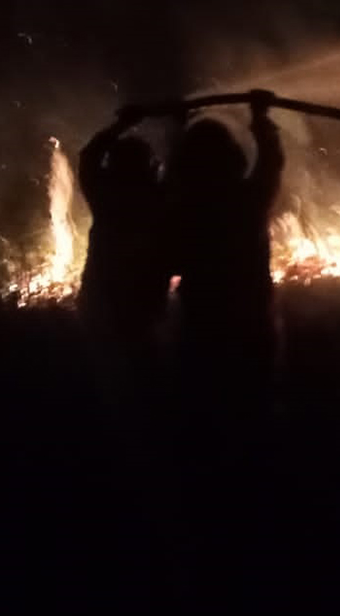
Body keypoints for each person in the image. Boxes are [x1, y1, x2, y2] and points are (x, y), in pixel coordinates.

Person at [166, 90, 285, 418]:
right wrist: (260, 118)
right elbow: (271, 161)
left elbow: (174, 175)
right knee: (255, 400)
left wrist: (176, 128)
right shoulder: (249, 201)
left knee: (203, 404)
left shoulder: (183, 208)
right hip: (251, 319)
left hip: (202, 323)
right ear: (234, 158)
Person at [77, 106, 169, 400]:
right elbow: (178, 173)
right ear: (149, 166)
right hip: (140, 301)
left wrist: (121, 125)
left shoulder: (104, 193)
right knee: (144, 375)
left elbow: (89, 156)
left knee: (109, 378)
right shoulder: (155, 198)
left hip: (100, 300)